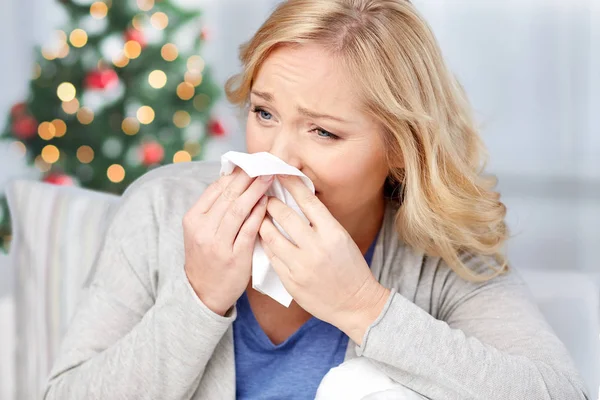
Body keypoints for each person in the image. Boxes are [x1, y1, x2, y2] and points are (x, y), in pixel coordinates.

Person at [44, 0, 590, 399]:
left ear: (400, 149)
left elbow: (558, 393)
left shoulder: (439, 251)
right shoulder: (162, 210)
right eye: (264, 113)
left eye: (323, 132)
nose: (280, 155)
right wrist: (200, 297)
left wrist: (362, 306)